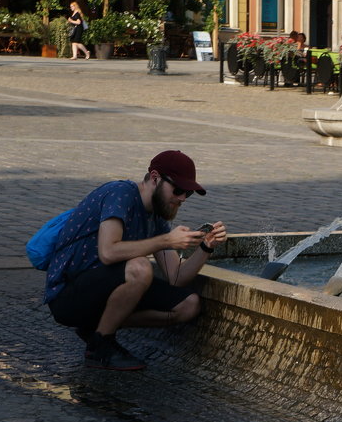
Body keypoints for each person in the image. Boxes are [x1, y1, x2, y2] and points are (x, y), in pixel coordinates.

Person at [42, 150, 228, 370]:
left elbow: (176, 277)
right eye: (178, 190)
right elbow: (108, 252)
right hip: (68, 295)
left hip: (103, 290)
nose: (182, 198)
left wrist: (206, 247)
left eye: (188, 194)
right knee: (140, 267)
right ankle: (100, 346)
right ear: (155, 178)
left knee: (189, 305)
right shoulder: (120, 194)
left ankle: (95, 328)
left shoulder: (157, 214)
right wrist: (166, 240)